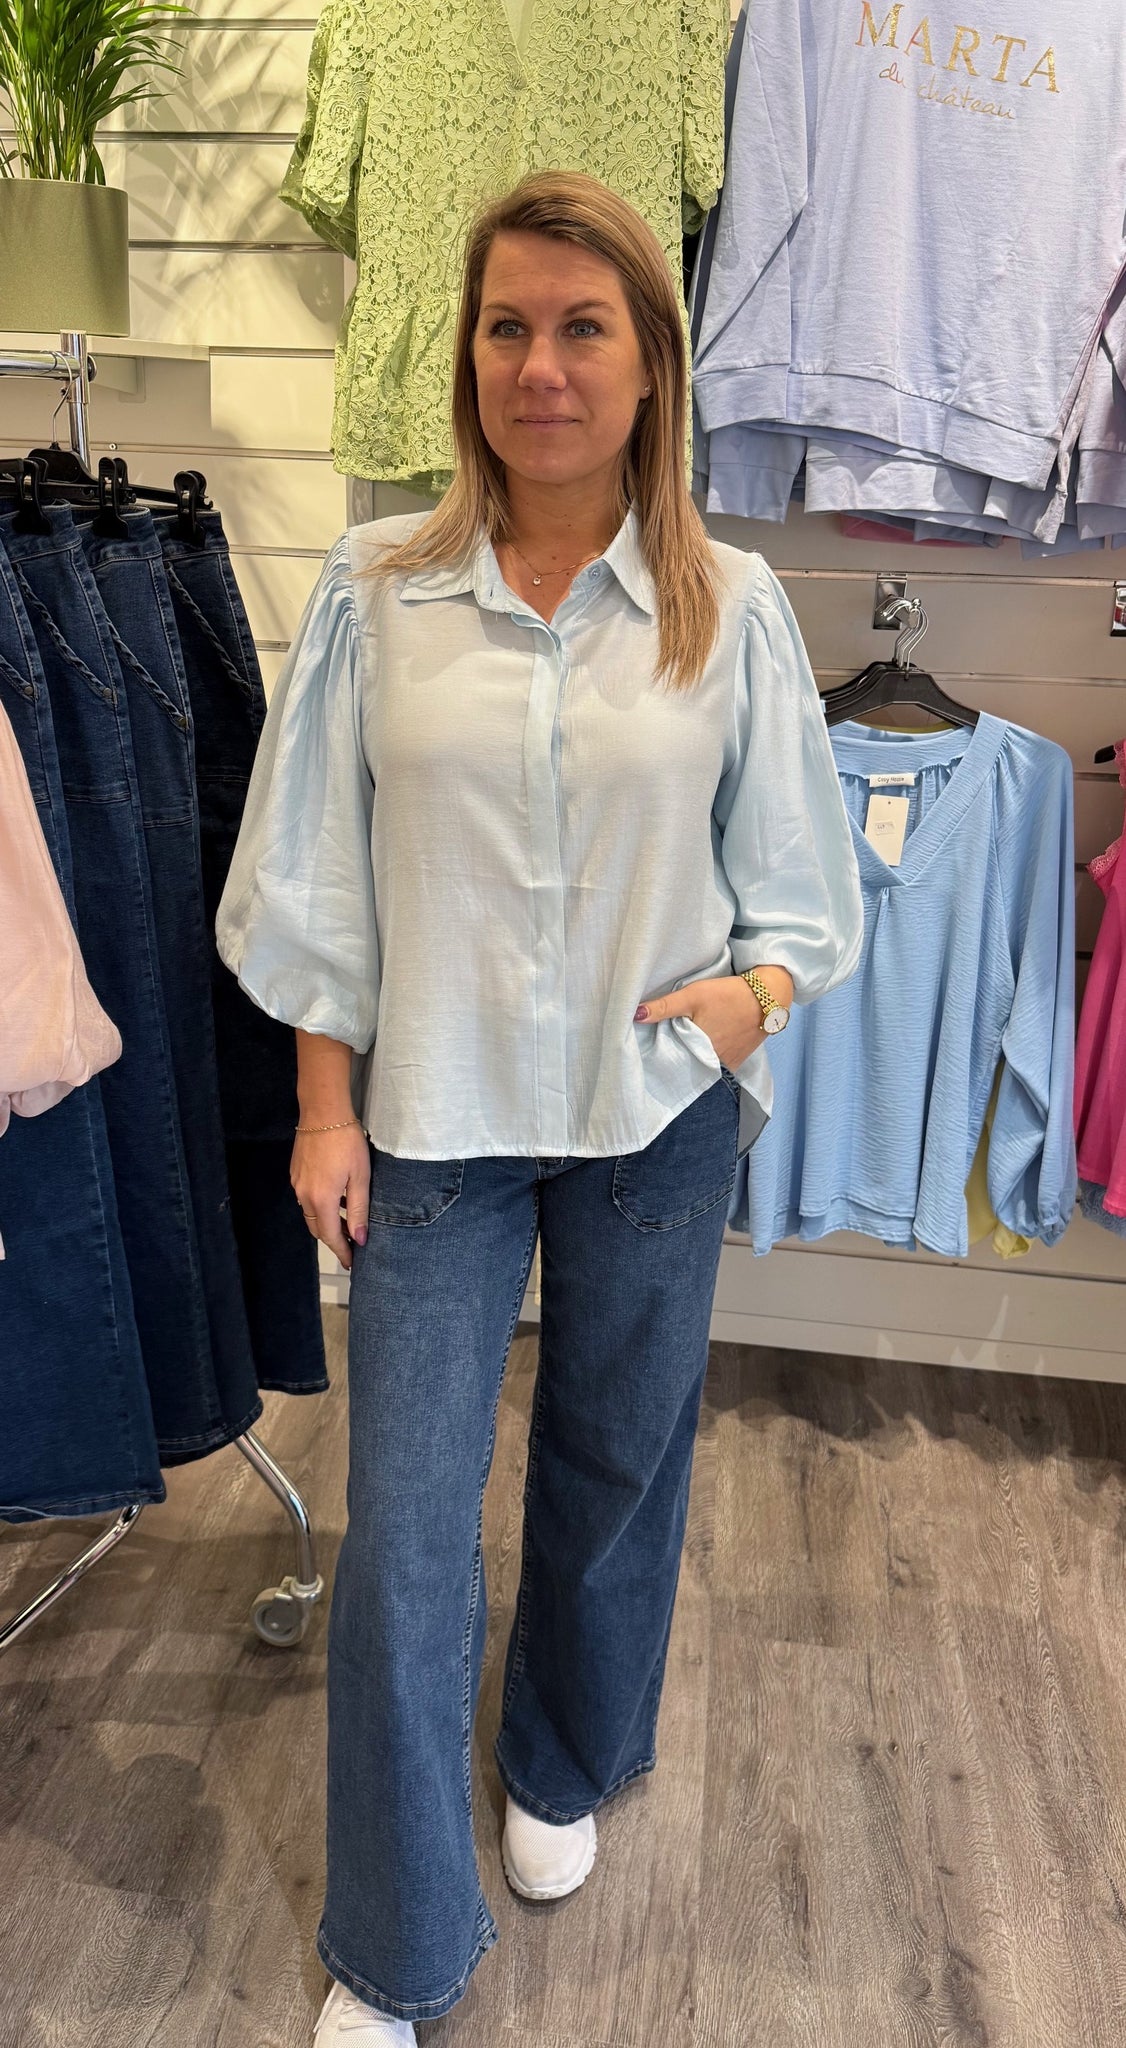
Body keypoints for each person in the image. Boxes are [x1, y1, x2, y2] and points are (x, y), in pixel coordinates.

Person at [217, 169, 863, 2047]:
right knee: (407, 1531)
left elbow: (801, 892)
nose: (541, 366)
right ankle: (396, 1940)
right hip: (430, 1122)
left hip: (654, 1114)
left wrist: (742, 1001)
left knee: (613, 1464)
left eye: (584, 328)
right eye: (507, 326)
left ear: (651, 367)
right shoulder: (377, 591)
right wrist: (321, 1109)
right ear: (467, 360)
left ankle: (563, 1755)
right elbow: (313, 882)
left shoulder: (730, 605)